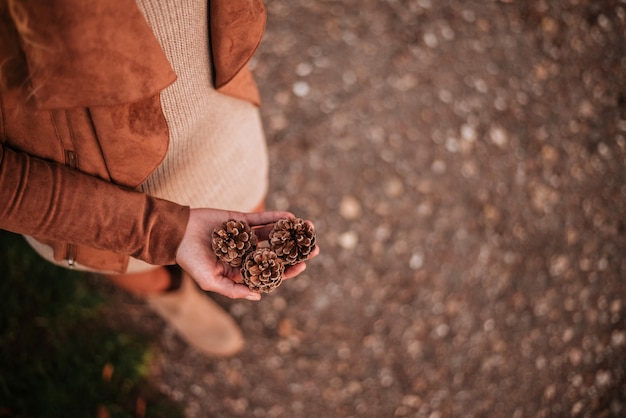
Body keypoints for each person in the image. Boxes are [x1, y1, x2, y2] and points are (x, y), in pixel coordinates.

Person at [0, 0, 317, 357]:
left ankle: (209, 275)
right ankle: (173, 296)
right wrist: (160, 232)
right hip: (93, 190)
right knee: (138, 267)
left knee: (251, 207)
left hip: (216, 109)